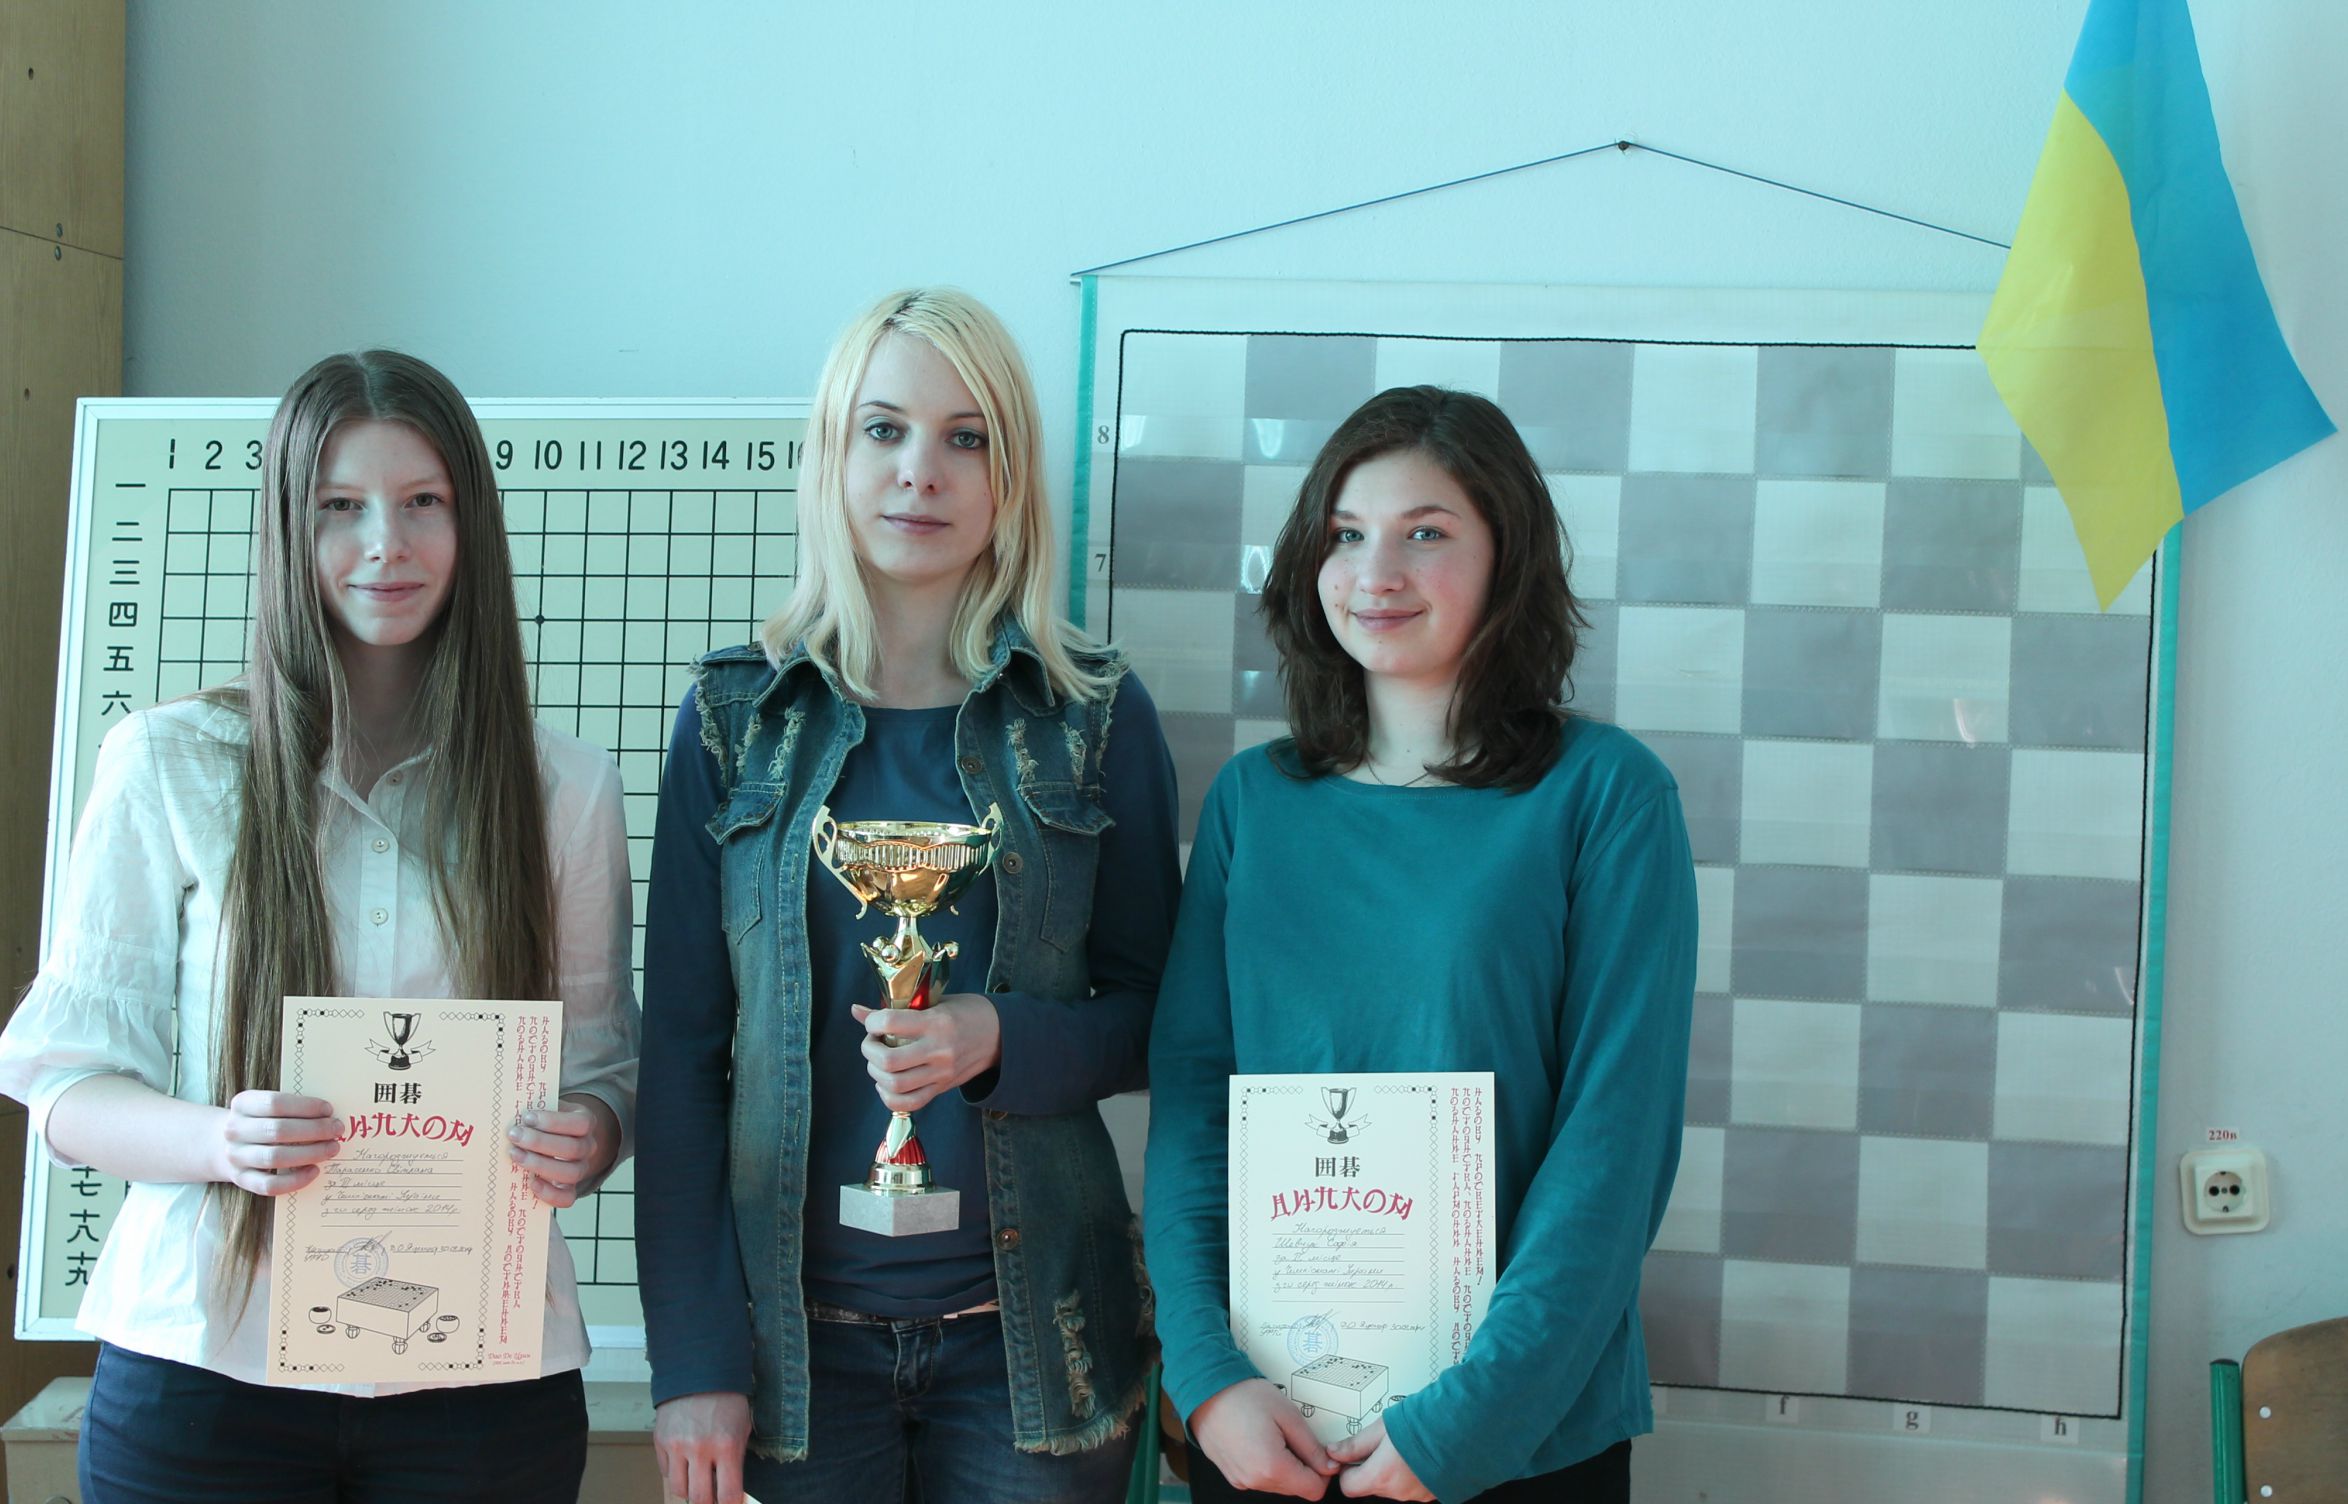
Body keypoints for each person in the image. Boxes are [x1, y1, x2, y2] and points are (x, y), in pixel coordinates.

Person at [0, 350, 640, 1503]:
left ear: (469, 524)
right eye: (340, 506)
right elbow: (64, 1088)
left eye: (422, 501)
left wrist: (588, 1132)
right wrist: (220, 1141)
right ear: (288, 528)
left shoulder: (566, 789)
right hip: (204, 1369)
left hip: (480, 1384)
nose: (385, 543)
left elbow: (605, 1064)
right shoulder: (168, 762)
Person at [637, 287, 1181, 1504]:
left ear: (1009, 474)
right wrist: (692, 1357)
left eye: (964, 437)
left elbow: (1161, 1019)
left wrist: (1001, 1039)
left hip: (1032, 1347)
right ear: (832, 455)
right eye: (882, 429)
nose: (918, 471)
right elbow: (677, 1056)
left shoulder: (1092, 716)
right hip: (788, 1356)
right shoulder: (733, 719)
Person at [1144, 386, 1698, 1502]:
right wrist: (1205, 1377)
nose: (1375, 572)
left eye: (1426, 533)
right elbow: (1196, 1107)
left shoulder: (1607, 795)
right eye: (1346, 534)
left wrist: (1466, 1423)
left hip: (1512, 1438)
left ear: (1508, 558)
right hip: (1267, 1429)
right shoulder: (1253, 802)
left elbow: (1613, 1146)